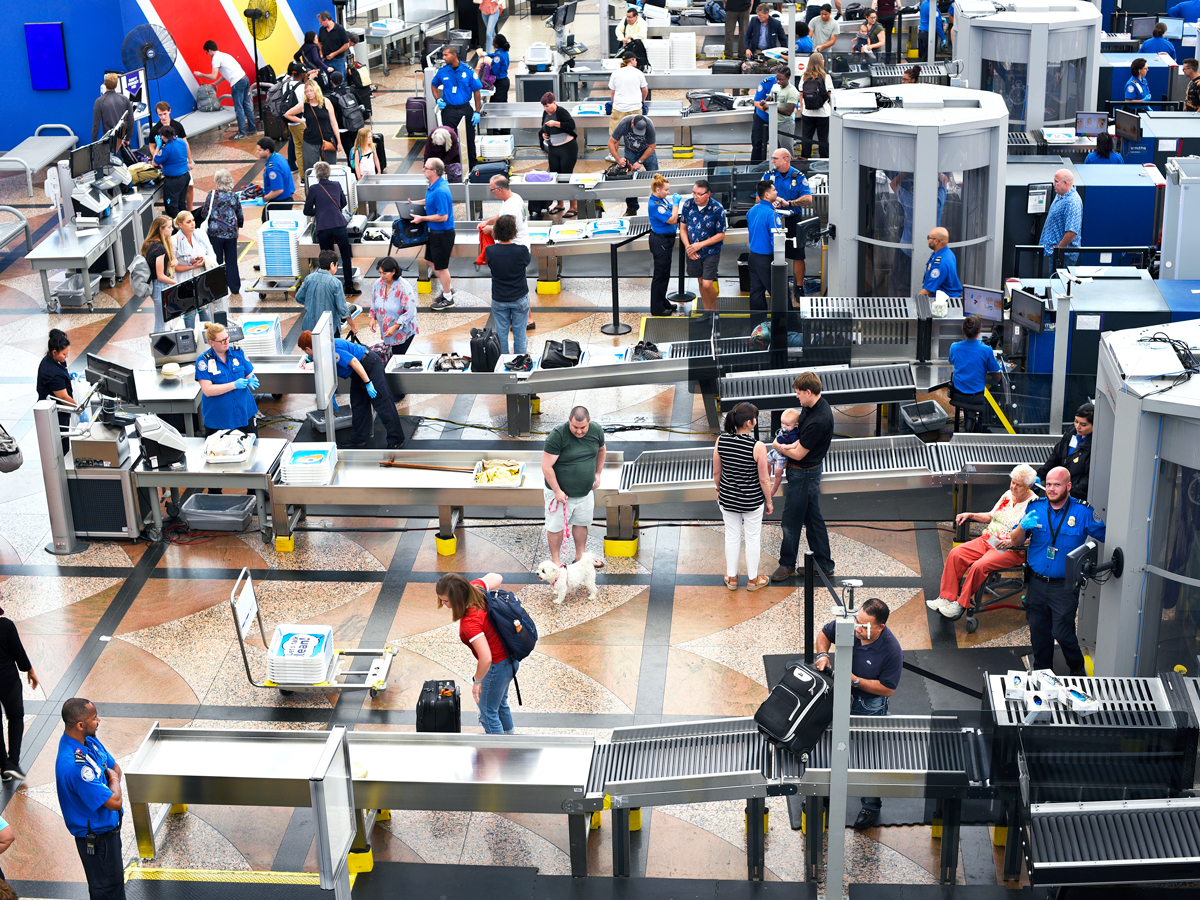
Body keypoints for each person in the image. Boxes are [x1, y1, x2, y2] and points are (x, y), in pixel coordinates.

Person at [812, 598, 902, 828]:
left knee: (868, 753)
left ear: (880, 627)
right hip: (840, 695)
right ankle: (824, 792)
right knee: (829, 742)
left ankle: (871, 805)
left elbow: (888, 689)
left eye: (865, 626)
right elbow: (824, 633)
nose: (858, 630)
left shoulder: (892, 650)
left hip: (870, 704)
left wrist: (855, 681)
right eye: (856, 622)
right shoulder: (853, 626)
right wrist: (822, 655)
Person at [1010, 467, 1106, 675]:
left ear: (1068, 486)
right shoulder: (1035, 507)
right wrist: (1021, 527)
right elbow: (1015, 540)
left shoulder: (1083, 512)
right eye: (1048, 484)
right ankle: (1042, 674)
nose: (1051, 489)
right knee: (1039, 632)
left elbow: (1107, 535)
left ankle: (1077, 668)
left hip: (1064, 586)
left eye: (1057, 485)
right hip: (1036, 583)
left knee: (1062, 632)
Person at [927, 465, 1037, 620]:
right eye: (1012, 482)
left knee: (979, 566)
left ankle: (960, 605)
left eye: (1018, 485)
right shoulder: (1007, 494)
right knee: (956, 553)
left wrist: (1011, 543)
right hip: (989, 540)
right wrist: (970, 514)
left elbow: (1034, 538)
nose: (1013, 487)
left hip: (1011, 549)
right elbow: (991, 516)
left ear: (1029, 486)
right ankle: (946, 598)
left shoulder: (1034, 505)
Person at [56, 698, 126, 900]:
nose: (98, 721)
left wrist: (113, 778)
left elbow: (116, 767)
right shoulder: (75, 766)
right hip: (98, 842)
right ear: (80, 725)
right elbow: (114, 801)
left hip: (109, 834)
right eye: (94, 718)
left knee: (115, 886)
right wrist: (111, 779)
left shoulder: (89, 740)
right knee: (106, 891)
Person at [771, 371, 835, 581]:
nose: (796, 397)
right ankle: (823, 564)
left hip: (804, 474)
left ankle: (786, 564)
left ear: (809, 392)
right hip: (807, 471)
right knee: (812, 517)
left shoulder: (819, 419)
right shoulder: (813, 406)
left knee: (790, 521)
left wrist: (777, 446)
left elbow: (798, 453)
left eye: (799, 393)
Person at [436, 572, 517, 734]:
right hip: (511, 658)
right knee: (500, 704)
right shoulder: (474, 589)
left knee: (487, 713)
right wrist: (478, 584)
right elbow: (497, 577)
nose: (443, 604)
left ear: (458, 597)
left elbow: (486, 659)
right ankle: (509, 741)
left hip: (497, 666)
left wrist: (477, 681)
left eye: (445, 600)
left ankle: (498, 753)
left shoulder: (470, 621)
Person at [297, 330, 405, 448]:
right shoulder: (322, 349)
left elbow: (354, 362)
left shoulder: (332, 350)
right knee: (358, 404)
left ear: (308, 348)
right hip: (357, 373)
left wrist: (368, 383)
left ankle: (396, 440)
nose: (306, 353)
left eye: (305, 351)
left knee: (383, 403)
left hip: (369, 366)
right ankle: (358, 439)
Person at [714, 402, 774, 591]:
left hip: (728, 498)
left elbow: (717, 472)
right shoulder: (758, 446)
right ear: (749, 423)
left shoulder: (721, 441)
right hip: (752, 501)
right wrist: (769, 501)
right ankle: (753, 580)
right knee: (752, 538)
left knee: (731, 537)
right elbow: (764, 479)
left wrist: (719, 490)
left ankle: (732, 579)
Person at [542, 406, 607, 568]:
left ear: (589, 422)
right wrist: (557, 491)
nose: (579, 431)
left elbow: (601, 450)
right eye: (575, 427)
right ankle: (556, 562)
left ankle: (581, 557)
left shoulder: (596, 430)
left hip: (584, 492)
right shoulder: (557, 436)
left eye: (583, 427)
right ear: (569, 420)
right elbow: (546, 466)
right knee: (555, 527)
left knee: (581, 523)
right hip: (561, 494)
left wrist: (597, 474)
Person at [196, 322, 259, 439]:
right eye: (222, 341)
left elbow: (249, 374)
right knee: (217, 451)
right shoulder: (203, 361)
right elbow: (207, 390)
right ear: (211, 343)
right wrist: (234, 385)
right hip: (219, 418)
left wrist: (251, 378)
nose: (226, 342)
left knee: (250, 446)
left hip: (243, 413)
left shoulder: (238, 353)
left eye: (227, 338)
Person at [766, 148, 813, 302]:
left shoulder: (798, 177)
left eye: (775, 158)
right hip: (774, 219)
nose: (773, 161)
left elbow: (808, 198)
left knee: (798, 254)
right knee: (773, 254)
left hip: (793, 219)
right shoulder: (769, 176)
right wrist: (772, 200)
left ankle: (798, 288)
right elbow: (759, 198)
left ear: (786, 159)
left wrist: (789, 203)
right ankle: (777, 286)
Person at [305, 160, 357, 296]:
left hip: (323, 227)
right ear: (329, 174)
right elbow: (343, 202)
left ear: (316, 176)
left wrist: (320, 211)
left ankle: (330, 287)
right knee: (345, 255)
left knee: (327, 258)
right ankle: (349, 286)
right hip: (339, 224)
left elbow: (307, 210)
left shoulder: (314, 189)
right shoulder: (336, 184)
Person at [412, 157, 456, 310]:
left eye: (426, 167)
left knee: (441, 267)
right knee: (430, 261)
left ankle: (448, 298)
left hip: (442, 234)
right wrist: (415, 203)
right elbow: (429, 201)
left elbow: (443, 216)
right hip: (434, 233)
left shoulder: (440, 191)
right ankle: (447, 287)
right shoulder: (434, 185)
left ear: (434, 171)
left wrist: (422, 218)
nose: (423, 169)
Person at [431, 45, 483, 171]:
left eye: (446, 55)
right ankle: (454, 165)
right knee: (450, 140)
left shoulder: (468, 70)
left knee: (469, 138)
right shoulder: (442, 71)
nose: (444, 58)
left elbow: (477, 91)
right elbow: (434, 84)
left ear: (454, 55)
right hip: (448, 111)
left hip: (465, 109)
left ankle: (472, 165)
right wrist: (437, 99)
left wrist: (477, 111)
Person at [485, 215, 532, 353]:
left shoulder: (490, 251)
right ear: (514, 231)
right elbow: (526, 262)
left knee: (501, 335)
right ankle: (520, 363)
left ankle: (503, 364)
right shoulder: (522, 251)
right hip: (519, 298)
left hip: (499, 299)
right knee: (520, 335)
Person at [680, 178, 727, 311]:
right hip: (692, 251)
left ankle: (714, 310)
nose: (696, 197)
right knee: (700, 281)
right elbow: (683, 228)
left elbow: (721, 235)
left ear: (708, 194)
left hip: (711, 252)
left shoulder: (717, 209)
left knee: (707, 284)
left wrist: (699, 245)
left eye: (699, 194)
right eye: (694, 193)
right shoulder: (688, 205)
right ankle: (707, 312)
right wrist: (689, 247)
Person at [947, 313, 1000, 432]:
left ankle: (969, 422)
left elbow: (952, 360)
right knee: (996, 391)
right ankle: (982, 424)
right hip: (978, 398)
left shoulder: (954, 347)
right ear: (980, 330)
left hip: (958, 395)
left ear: (964, 330)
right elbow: (997, 377)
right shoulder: (986, 350)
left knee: (967, 389)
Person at [194, 40, 256, 139]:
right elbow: (224, 74)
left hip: (237, 83)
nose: (208, 54)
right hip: (244, 79)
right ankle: (252, 129)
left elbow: (214, 75)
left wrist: (201, 74)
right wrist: (215, 84)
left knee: (238, 108)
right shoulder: (224, 55)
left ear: (209, 50)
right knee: (246, 105)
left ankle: (242, 133)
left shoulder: (215, 58)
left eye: (207, 52)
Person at [1037, 402, 1093, 502]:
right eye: (1076, 421)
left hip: (1077, 497)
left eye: (1083, 424)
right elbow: (1057, 456)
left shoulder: (1095, 447)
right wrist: (1040, 475)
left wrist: (1071, 493)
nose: (1078, 427)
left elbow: (1090, 479)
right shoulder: (1071, 432)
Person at [36, 329, 81, 453]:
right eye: (64, 354)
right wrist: (79, 410)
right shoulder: (52, 372)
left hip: (60, 412)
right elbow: (63, 397)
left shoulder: (54, 360)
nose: (66, 357)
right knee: (61, 447)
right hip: (55, 415)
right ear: (54, 352)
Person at [647, 174, 683, 316]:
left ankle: (662, 301)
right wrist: (676, 203)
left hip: (666, 241)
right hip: (660, 242)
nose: (668, 192)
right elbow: (673, 219)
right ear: (657, 190)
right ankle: (657, 308)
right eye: (666, 190)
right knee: (660, 275)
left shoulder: (661, 200)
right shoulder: (655, 205)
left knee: (665, 274)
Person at [608, 114, 658, 217]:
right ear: (632, 123)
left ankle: (658, 206)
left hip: (647, 151)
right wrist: (618, 159)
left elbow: (652, 146)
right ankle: (632, 208)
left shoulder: (649, 125)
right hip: (630, 151)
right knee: (629, 180)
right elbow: (611, 142)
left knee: (656, 178)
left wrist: (640, 161)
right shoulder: (624, 123)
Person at [148, 102, 195, 211]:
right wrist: (157, 158)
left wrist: (190, 161)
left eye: (165, 113)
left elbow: (186, 143)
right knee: (173, 195)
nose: (163, 117)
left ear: (169, 111)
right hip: (166, 164)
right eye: (160, 115)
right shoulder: (155, 130)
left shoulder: (177, 125)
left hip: (181, 163)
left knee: (190, 186)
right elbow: (151, 146)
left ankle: (190, 211)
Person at [285, 81, 339, 172]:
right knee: (310, 170)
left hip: (327, 140)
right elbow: (288, 114)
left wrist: (339, 141)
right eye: (307, 91)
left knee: (330, 169)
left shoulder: (326, 102)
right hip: (310, 142)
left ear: (316, 90)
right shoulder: (304, 105)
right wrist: (301, 121)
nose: (309, 93)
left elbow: (333, 122)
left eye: (311, 90)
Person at [540, 94, 578, 219]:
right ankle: (560, 204)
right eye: (544, 106)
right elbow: (543, 128)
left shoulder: (562, 112)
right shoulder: (545, 114)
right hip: (554, 148)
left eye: (548, 105)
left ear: (554, 102)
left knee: (566, 177)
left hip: (567, 148)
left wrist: (556, 123)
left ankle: (574, 206)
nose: (546, 109)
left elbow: (571, 125)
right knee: (555, 176)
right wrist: (543, 135)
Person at [206, 169, 243, 296]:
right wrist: (239, 226)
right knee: (231, 260)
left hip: (214, 233)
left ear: (217, 181)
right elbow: (240, 215)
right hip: (231, 234)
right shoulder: (234, 196)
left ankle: (218, 288)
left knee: (216, 261)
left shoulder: (211, 195)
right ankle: (235, 288)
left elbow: (205, 212)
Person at [370, 257, 418, 355]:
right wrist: (372, 318)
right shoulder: (378, 283)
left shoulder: (404, 287)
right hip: (387, 330)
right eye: (380, 273)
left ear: (393, 271)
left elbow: (410, 312)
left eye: (384, 273)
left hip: (402, 331)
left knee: (395, 357)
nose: (381, 276)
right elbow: (374, 301)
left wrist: (395, 327)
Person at [297, 249, 352, 333]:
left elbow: (298, 297)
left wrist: (311, 304)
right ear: (332, 265)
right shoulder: (335, 283)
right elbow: (343, 309)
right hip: (329, 329)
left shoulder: (309, 278)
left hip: (309, 327)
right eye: (336, 264)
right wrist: (353, 326)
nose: (336, 267)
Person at [747, 181, 782, 311]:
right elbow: (776, 240)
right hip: (766, 261)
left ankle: (757, 325)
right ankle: (789, 324)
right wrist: (779, 263)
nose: (776, 192)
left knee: (756, 292)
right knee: (779, 292)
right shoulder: (772, 214)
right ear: (767, 195)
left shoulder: (752, 211)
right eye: (774, 190)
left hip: (753, 257)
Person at [1039, 168, 1082, 266]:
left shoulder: (1072, 203)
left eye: (1056, 181)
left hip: (1063, 257)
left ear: (1065, 183)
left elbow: (1071, 233)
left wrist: (1058, 249)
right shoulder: (1060, 195)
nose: (1053, 184)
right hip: (1053, 254)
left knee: (1058, 281)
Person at [141, 216, 177, 327]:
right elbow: (160, 275)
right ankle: (157, 344)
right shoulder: (160, 248)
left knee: (161, 321)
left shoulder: (150, 244)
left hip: (156, 286)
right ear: (160, 229)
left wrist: (171, 263)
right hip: (160, 286)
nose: (172, 229)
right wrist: (176, 283)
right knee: (160, 323)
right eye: (169, 227)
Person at [255, 137, 297, 225]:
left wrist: (264, 199)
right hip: (287, 198)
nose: (257, 152)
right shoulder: (278, 156)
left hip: (279, 203)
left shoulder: (273, 167)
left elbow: (278, 190)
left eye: (259, 150)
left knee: (269, 226)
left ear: (267, 151)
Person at [799, 52, 833, 159]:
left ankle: (804, 161)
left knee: (806, 138)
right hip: (823, 113)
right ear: (821, 62)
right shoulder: (826, 77)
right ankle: (824, 161)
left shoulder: (804, 76)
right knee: (823, 139)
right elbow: (830, 95)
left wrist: (802, 109)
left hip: (807, 113)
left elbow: (801, 94)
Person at [482, 175, 530, 246]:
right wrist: (487, 223)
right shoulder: (514, 197)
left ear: (499, 190)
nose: (491, 192)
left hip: (515, 249)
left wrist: (490, 230)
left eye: (492, 190)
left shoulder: (511, 209)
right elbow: (501, 216)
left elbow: (505, 233)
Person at [280, 64, 311, 173]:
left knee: (298, 149)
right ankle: (311, 173)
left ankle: (302, 176)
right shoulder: (303, 87)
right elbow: (308, 102)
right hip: (301, 121)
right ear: (302, 74)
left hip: (290, 122)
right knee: (309, 148)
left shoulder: (286, 85)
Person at [154, 126, 190, 220]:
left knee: (171, 206)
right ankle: (186, 224)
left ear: (163, 136)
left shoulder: (167, 149)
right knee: (181, 203)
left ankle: (176, 227)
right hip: (185, 177)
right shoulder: (181, 141)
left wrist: (158, 147)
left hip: (174, 181)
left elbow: (155, 161)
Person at [608, 55, 648, 138]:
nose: (636, 62)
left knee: (615, 135)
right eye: (635, 60)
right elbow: (645, 90)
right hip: (635, 108)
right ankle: (634, 150)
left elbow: (612, 93)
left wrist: (614, 103)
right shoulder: (639, 73)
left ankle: (613, 151)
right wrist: (642, 100)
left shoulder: (615, 73)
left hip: (619, 108)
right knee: (636, 134)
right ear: (631, 60)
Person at [918, 226, 961, 298]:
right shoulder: (946, 253)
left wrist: (914, 303)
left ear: (936, 241)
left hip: (943, 302)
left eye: (929, 237)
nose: (928, 240)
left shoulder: (940, 264)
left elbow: (929, 290)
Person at [768, 408, 801, 497]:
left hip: (782, 454)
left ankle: (774, 488)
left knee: (778, 472)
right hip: (776, 450)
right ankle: (767, 478)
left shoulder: (793, 433)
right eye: (782, 423)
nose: (784, 426)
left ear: (796, 425)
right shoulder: (786, 429)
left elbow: (796, 444)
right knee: (766, 462)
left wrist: (786, 447)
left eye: (787, 424)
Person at [92, 73, 132, 142]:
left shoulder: (99, 101)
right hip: (123, 140)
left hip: (109, 141)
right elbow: (131, 120)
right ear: (116, 86)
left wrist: (94, 142)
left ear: (104, 83)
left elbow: (96, 125)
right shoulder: (125, 99)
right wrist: (127, 138)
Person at [317, 10, 351, 78]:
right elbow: (319, 42)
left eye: (321, 22)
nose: (320, 23)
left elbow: (346, 44)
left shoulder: (339, 29)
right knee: (328, 80)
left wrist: (334, 53)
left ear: (326, 20)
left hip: (338, 59)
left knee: (340, 79)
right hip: (326, 60)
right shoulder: (322, 29)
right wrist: (321, 53)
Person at [750, 73, 776, 163]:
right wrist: (768, 111)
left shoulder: (789, 88)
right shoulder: (766, 82)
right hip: (762, 118)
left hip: (779, 120)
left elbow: (794, 109)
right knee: (758, 144)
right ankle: (755, 168)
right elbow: (756, 101)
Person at [351, 126, 379, 205]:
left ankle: (373, 205)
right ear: (363, 138)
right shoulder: (358, 150)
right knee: (364, 192)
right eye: (368, 137)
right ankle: (365, 206)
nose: (371, 139)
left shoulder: (372, 147)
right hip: (362, 174)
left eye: (371, 137)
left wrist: (379, 170)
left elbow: (376, 159)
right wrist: (358, 176)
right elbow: (356, 164)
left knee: (372, 190)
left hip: (372, 172)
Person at [488, 34, 512, 104]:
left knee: (494, 105)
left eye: (493, 41)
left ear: (496, 45)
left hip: (500, 83)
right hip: (505, 81)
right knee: (503, 104)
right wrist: (487, 55)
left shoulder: (498, 56)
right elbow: (495, 55)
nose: (492, 42)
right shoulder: (504, 52)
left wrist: (486, 72)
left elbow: (494, 71)